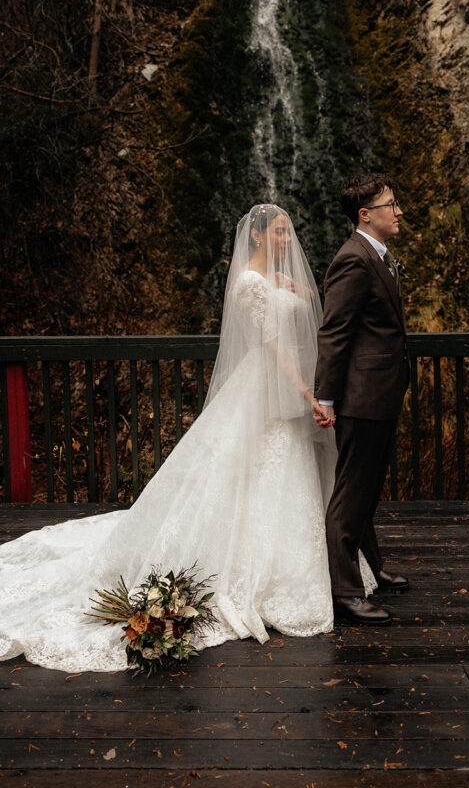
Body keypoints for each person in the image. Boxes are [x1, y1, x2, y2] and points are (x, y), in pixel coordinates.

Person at [0, 205, 375, 673]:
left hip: (290, 387)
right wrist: (306, 391)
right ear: (257, 237)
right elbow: (273, 344)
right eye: (279, 233)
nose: (286, 241)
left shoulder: (276, 281)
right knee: (251, 471)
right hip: (270, 386)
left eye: (288, 233)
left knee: (290, 472)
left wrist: (296, 292)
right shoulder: (249, 285)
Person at [314, 174, 411, 626]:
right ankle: (345, 592)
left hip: (381, 393)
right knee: (351, 496)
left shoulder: (379, 257)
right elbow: (335, 333)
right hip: (360, 397)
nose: (398, 211)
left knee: (368, 490)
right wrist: (326, 398)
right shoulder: (353, 260)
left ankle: (372, 569)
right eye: (391, 204)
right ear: (365, 215)